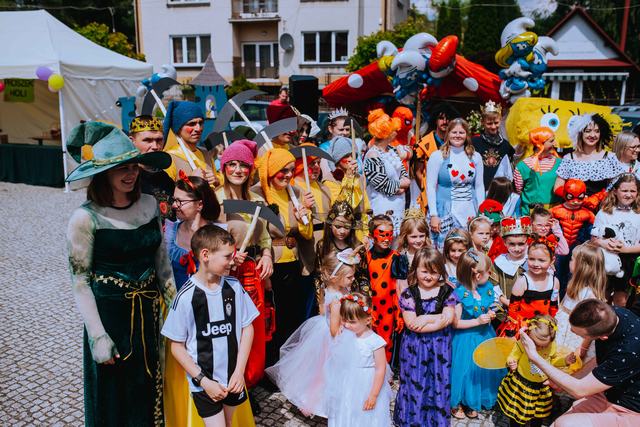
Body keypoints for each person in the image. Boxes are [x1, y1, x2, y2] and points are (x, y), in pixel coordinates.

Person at [65, 122, 176, 426]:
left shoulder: (150, 204)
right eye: (121, 169)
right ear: (103, 173)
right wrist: (98, 337)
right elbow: (80, 281)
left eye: (133, 167)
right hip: (110, 319)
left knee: (148, 389)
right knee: (113, 397)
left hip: (149, 314)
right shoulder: (84, 218)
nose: (130, 174)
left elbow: (162, 264)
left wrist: (177, 309)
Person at [161, 225, 258, 427]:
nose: (233, 261)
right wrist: (203, 381)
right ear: (205, 255)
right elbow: (176, 347)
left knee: (229, 423)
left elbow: (247, 328)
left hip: (233, 379)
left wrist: (239, 371)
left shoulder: (234, 287)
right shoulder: (185, 297)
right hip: (204, 384)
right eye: (227, 256)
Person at [265, 249, 359, 418]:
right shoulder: (337, 300)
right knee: (328, 372)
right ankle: (324, 403)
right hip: (335, 336)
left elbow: (322, 309)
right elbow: (334, 329)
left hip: (323, 328)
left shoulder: (329, 287)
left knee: (320, 371)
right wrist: (349, 325)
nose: (353, 280)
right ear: (334, 277)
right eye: (349, 277)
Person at [518, 299, 640, 426]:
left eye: (581, 336)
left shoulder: (629, 351)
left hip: (629, 409)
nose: (571, 331)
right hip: (609, 392)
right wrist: (566, 382)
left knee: (564, 424)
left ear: (603, 337)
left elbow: (580, 390)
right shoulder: (611, 315)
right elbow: (602, 362)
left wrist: (534, 356)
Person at [216, 139, 273, 392]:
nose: (238, 170)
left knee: (253, 327)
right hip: (226, 273)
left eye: (244, 165)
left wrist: (267, 255)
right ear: (224, 167)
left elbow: (265, 236)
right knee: (230, 327)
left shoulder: (258, 199)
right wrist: (228, 258)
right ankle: (231, 384)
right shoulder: (216, 198)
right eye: (233, 164)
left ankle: (250, 382)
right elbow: (209, 237)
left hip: (252, 272)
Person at [251, 148, 314, 366]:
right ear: (271, 170)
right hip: (272, 264)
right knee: (273, 318)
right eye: (283, 170)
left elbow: (307, 233)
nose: (288, 175)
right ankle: (271, 364)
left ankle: (289, 365)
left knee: (293, 316)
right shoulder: (257, 193)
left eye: (291, 170)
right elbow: (259, 233)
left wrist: (304, 215)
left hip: (294, 262)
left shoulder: (295, 192)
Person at [394, 248, 456, 427]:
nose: (429, 276)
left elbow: (448, 319)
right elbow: (412, 324)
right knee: (415, 381)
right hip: (415, 347)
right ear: (415, 270)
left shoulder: (447, 292)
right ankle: (413, 421)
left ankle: (435, 421)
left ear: (440, 272)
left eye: (434, 272)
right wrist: (437, 318)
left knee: (438, 381)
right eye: (424, 271)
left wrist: (426, 318)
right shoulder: (409, 294)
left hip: (439, 347)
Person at [450, 249, 505, 419]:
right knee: (466, 371)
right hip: (466, 339)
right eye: (488, 271)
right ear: (478, 275)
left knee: (482, 369)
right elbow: (455, 323)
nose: (491, 274)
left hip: (484, 335)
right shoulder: (459, 294)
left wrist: (490, 313)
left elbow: (486, 306)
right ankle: (459, 401)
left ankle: (474, 399)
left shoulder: (485, 288)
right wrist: (477, 321)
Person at [325, 293, 393, 427]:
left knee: (365, 415)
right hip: (346, 383)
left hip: (366, 385)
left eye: (352, 322)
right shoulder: (344, 334)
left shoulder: (375, 341)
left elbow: (380, 369)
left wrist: (373, 395)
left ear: (367, 320)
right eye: (344, 320)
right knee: (346, 410)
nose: (346, 325)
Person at [497, 315, 575, 427]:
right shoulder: (523, 343)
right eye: (535, 344)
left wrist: (565, 361)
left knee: (538, 413)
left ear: (551, 340)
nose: (538, 348)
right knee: (517, 412)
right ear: (529, 335)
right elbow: (513, 355)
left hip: (541, 387)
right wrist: (511, 362)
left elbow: (552, 361)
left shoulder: (552, 346)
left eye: (543, 346)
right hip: (522, 385)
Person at [427, 118, 485, 248]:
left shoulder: (475, 156)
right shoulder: (437, 156)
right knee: (446, 248)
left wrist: (481, 212)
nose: (457, 135)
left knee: (467, 249)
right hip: (445, 211)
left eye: (461, 132)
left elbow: (479, 186)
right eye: (454, 132)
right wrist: (434, 214)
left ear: (467, 135)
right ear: (448, 133)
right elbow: (430, 187)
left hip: (469, 210)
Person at [555, 242, 607, 372]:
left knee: (571, 365)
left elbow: (591, 326)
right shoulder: (573, 284)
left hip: (575, 336)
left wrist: (583, 348)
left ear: (582, 266)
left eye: (572, 259)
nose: (569, 261)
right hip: (562, 329)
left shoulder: (591, 295)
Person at [166, 173, 222, 290]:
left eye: (180, 201)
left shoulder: (218, 236)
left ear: (199, 204)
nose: (174, 205)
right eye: (174, 200)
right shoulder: (170, 232)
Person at [591, 173, 640, 307]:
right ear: (615, 191)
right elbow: (594, 239)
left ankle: (618, 319)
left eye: (632, 191)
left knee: (621, 299)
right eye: (624, 190)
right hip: (606, 259)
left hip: (628, 261)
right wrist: (604, 243)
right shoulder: (605, 213)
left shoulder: (638, 214)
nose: (628, 194)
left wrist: (625, 249)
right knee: (602, 296)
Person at [497, 236, 559, 338]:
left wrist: (551, 324)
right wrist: (513, 331)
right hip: (522, 328)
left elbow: (553, 306)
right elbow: (513, 308)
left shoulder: (554, 282)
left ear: (552, 260)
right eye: (531, 259)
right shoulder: (522, 281)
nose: (535, 264)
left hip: (542, 328)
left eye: (541, 260)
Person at [365, 215, 407, 362]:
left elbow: (399, 288)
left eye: (389, 234)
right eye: (381, 234)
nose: (386, 239)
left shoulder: (396, 257)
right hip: (371, 307)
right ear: (372, 235)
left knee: (386, 342)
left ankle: (386, 370)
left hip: (389, 309)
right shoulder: (366, 257)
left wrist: (399, 313)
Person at [554, 113, 625, 197]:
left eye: (597, 131)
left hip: (602, 204)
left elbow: (618, 187)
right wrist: (572, 197)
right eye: (588, 131)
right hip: (575, 204)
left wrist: (600, 197)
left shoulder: (609, 157)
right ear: (580, 133)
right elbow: (557, 187)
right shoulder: (569, 158)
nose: (592, 135)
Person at [364, 108, 409, 232]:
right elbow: (382, 185)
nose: (396, 132)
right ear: (386, 133)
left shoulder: (392, 150)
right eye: (393, 130)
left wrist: (403, 183)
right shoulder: (373, 155)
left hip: (399, 206)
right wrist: (401, 184)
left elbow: (403, 171)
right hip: (382, 208)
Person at [315, 201, 369, 302]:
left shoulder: (358, 246)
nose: (342, 231)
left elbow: (363, 277)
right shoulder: (322, 246)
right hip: (330, 296)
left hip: (352, 298)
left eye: (347, 227)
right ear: (330, 224)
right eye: (338, 226)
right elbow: (319, 275)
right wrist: (321, 301)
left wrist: (363, 299)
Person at [163, 101, 220, 187]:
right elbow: (165, 191)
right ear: (179, 128)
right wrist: (189, 181)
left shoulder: (206, 154)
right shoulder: (169, 159)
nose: (198, 128)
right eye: (191, 124)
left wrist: (217, 181)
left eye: (200, 123)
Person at [128, 115, 175, 217]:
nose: (155, 146)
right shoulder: (127, 179)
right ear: (132, 141)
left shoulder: (165, 178)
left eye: (159, 140)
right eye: (148, 140)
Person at [514, 127, 562, 216]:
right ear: (540, 143)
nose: (555, 143)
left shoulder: (560, 163)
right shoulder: (523, 166)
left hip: (554, 212)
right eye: (551, 141)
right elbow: (519, 190)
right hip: (531, 213)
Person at [472, 100, 514, 188]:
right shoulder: (474, 142)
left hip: (498, 190)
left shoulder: (506, 146)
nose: (493, 126)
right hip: (478, 188)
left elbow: (508, 170)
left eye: (496, 123)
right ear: (482, 122)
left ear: (500, 120)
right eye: (489, 123)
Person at [490, 216, 532, 304]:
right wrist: (503, 300)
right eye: (512, 244)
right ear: (505, 243)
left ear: (527, 242)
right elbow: (493, 284)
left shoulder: (533, 259)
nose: (517, 249)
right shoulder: (499, 262)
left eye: (521, 244)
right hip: (506, 306)